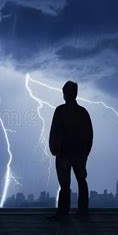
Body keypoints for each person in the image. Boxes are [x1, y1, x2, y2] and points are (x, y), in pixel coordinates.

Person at [47, 81, 93, 222]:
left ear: (66, 94)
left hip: (65, 154)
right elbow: (89, 135)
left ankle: (63, 213)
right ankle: (82, 212)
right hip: (75, 154)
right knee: (79, 182)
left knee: (66, 185)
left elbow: (53, 131)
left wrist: (54, 149)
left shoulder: (60, 111)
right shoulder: (82, 112)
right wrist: (85, 154)